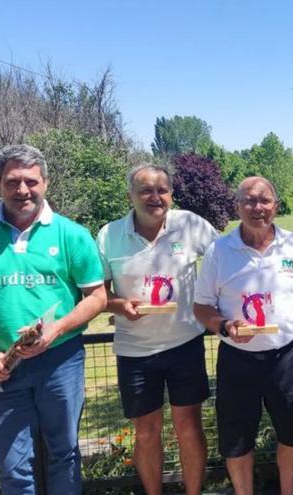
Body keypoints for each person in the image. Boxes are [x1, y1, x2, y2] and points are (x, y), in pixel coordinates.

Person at [0, 144, 107, 494]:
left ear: (45, 182)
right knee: (12, 466)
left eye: (31, 181)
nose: (22, 190)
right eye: (12, 181)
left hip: (60, 360)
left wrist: (57, 329)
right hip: (2, 365)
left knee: (64, 454)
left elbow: (97, 296)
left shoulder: (71, 234)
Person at [193, 176, 293, 495]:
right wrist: (224, 326)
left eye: (264, 200)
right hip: (237, 360)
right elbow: (201, 307)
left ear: (276, 206)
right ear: (237, 206)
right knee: (236, 441)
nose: (257, 207)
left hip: (289, 357)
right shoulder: (219, 251)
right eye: (249, 200)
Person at [96, 163, 218, 495]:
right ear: (130, 196)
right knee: (146, 432)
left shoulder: (189, 224)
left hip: (185, 343)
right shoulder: (109, 235)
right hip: (135, 351)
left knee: (189, 427)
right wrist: (118, 305)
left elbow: (224, 260)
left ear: (171, 194)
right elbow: (96, 294)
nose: (155, 197)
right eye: (145, 190)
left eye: (162, 190)